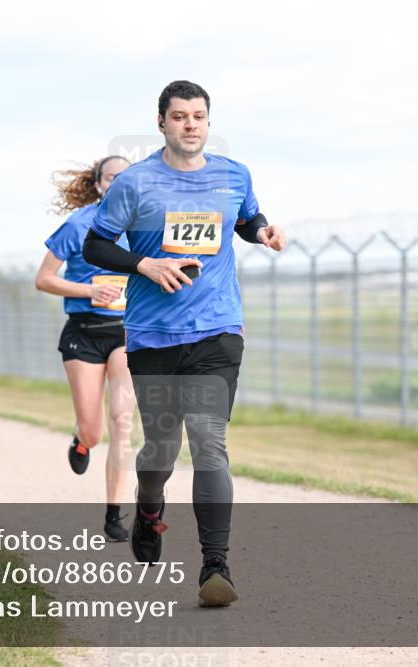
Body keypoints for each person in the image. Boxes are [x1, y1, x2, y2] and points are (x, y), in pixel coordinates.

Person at [83, 80, 287, 606]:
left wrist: (262, 232)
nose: (190, 125)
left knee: (210, 441)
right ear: (162, 123)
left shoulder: (233, 174)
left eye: (199, 116)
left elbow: (245, 218)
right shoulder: (136, 183)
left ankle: (215, 566)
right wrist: (145, 264)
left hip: (218, 330)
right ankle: (149, 511)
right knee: (161, 449)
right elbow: (97, 244)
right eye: (180, 117)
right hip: (153, 339)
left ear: (207, 122)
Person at [35, 155, 136, 542]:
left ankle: (114, 512)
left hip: (128, 332)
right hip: (84, 332)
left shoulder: (144, 226)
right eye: (112, 178)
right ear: (98, 185)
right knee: (94, 430)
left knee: (123, 420)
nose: (119, 184)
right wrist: (89, 290)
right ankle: (82, 441)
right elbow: (44, 279)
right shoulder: (78, 224)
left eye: (127, 179)